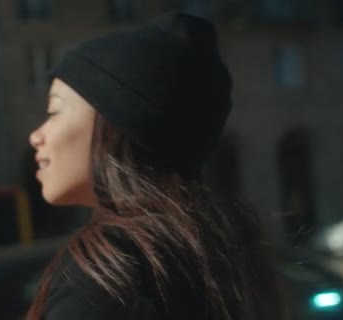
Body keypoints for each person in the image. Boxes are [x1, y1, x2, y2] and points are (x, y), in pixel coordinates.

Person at [26, 12, 284, 320]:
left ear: (118, 123)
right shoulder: (218, 251)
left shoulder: (110, 269)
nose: (35, 136)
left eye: (54, 111)